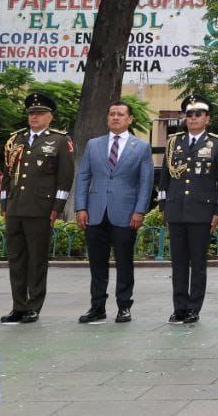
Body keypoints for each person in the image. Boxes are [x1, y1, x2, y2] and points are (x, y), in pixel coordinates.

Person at [74, 101, 154, 324]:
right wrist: (81, 207)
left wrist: (140, 211)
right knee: (97, 263)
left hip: (126, 214)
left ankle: (124, 306)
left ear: (130, 119)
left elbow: (146, 182)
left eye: (120, 114)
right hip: (95, 212)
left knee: (124, 262)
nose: (115, 117)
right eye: (111, 114)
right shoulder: (93, 144)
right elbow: (83, 177)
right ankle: (97, 307)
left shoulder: (141, 147)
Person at [0, 91, 75, 324]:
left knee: (37, 260)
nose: (34, 117)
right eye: (31, 113)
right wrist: (4, 203)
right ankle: (18, 306)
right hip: (15, 207)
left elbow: (65, 178)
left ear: (50, 117)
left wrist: (57, 207)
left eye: (40, 113)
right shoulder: (16, 140)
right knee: (16, 259)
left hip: (41, 208)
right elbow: (7, 175)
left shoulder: (60, 141)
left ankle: (33, 306)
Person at [159, 95, 218, 324]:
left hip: (202, 212)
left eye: (198, 114)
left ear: (207, 118)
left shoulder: (216, 144)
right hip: (176, 210)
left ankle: (193, 308)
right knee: (178, 263)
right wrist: (163, 207)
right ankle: (179, 307)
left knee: (198, 263)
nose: (193, 118)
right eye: (189, 114)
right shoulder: (174, 143)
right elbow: (165, 180)